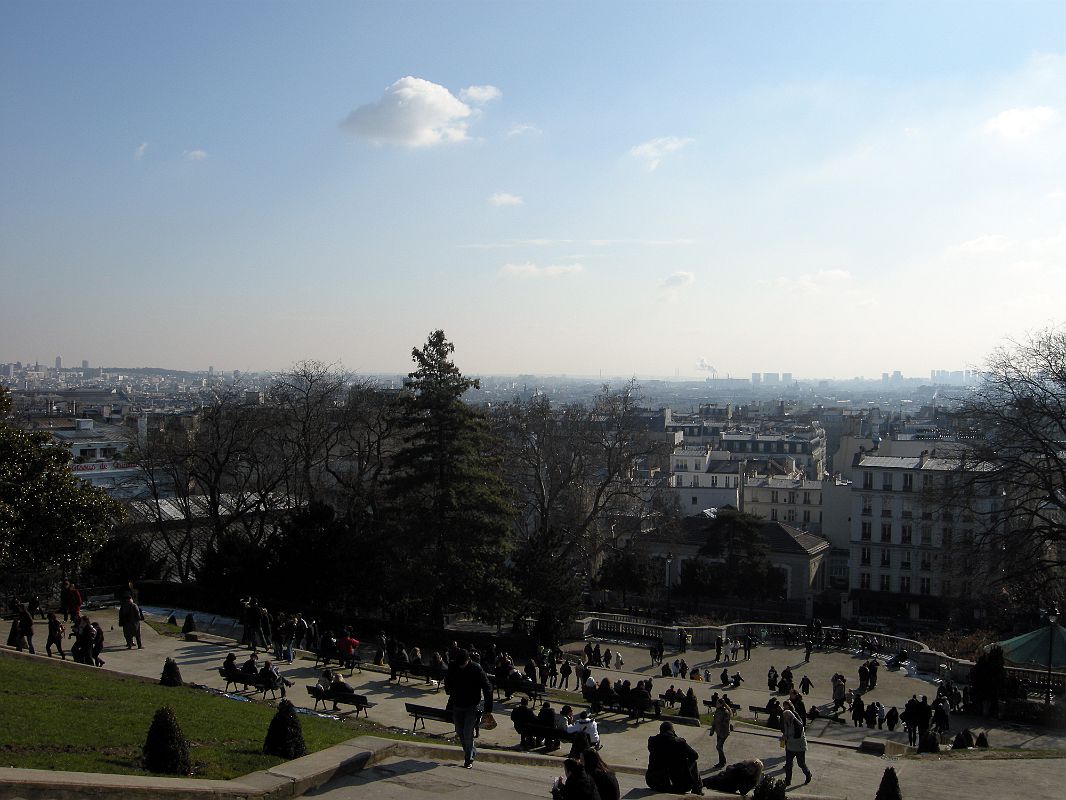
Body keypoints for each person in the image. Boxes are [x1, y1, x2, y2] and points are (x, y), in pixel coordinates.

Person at [444, 648, 494, 768]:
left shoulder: (476, 668)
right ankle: (470, 752)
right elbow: (448, 679)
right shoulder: (453, 666)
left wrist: (488, 708)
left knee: (467, 732)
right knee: (460, 732)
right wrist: (448, 689)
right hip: (457, 704)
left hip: (472, 705)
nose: (461, 667)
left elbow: (487, 687)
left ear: (468, 660)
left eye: (463, 664)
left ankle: (468, 758)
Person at [646, 721, 703, 795]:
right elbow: (695, 756)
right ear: (672, 731)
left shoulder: (652, 741)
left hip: (653, 783)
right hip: (675, 786)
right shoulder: (679, 742)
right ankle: (697, 789)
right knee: (693, 762)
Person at [780, 701, 812, 786]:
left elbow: (798, 737)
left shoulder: (797, 724)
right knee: (788, 765)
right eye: (784, 718)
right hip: (790, 747)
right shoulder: (786, 721)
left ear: (790, 717)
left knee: (801, 764)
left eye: (786, 718)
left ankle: (808, 774)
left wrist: (788, 738)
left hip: (799, 747)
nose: (785, 720)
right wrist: (783, 737)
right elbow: (785, 731)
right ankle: (787, 781)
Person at [711, 697, 734, 768]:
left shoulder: (725, 712)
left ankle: (722, 761)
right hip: (718, 731)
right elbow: (714, 721)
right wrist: (712, 730)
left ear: (721, 704)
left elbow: (726, 724)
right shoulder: (717, 711)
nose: (716, 704)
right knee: (719, 747)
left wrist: (722, 729)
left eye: (717, 703)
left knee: (718, 747)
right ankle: (721, 761)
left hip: (724, 732)